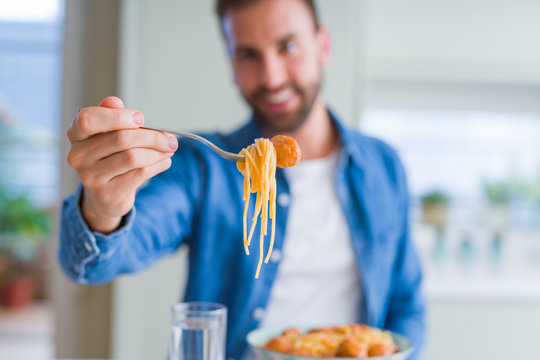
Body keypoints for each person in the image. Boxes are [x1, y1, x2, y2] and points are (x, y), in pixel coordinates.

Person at [59, 0, 426, 359]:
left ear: (323, 47)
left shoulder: (383, 166)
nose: (272, 77)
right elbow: (98, 262)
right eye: (248, 55)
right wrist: (104, 207)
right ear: (231, 65)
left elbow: (406, 302)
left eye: (289, 46)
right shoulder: (204, 164)